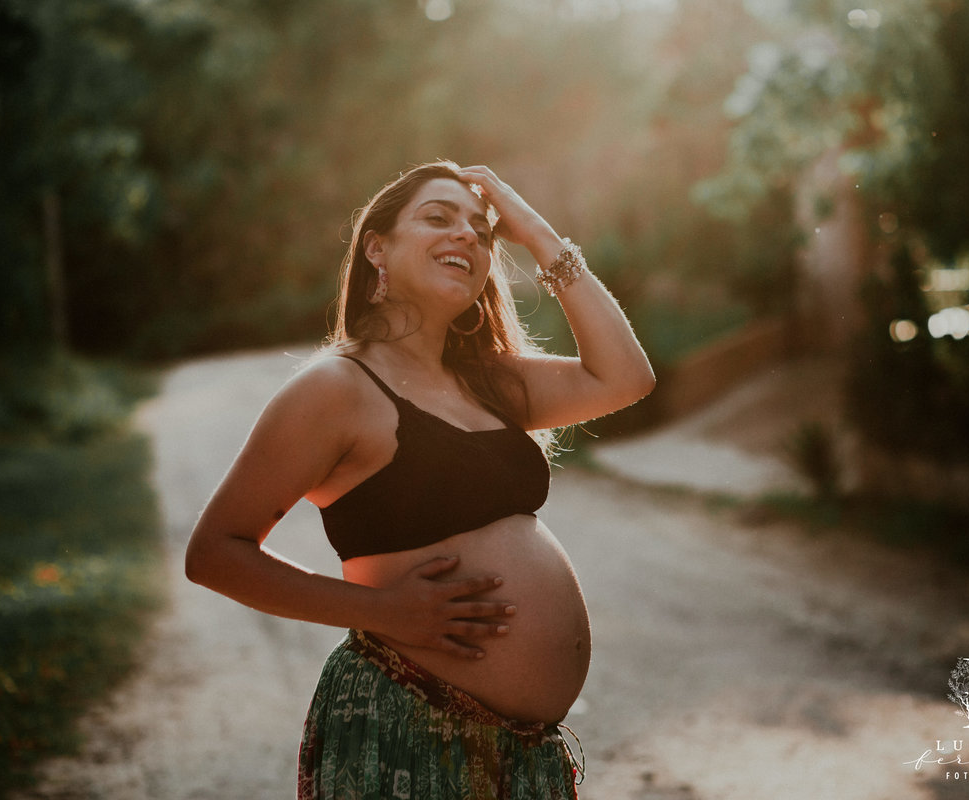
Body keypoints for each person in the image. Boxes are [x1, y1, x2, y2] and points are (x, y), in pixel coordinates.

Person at [185, 161, 655, 799]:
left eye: (482, 233)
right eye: (438, 218)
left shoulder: (486, 381)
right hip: (404, 727)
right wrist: (381, 611)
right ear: (377, 247)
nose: (466, 234)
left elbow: (625, 378)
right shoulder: (336, 388)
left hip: (520, 758)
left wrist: (537, 232)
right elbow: (215, 552)